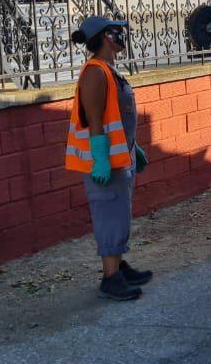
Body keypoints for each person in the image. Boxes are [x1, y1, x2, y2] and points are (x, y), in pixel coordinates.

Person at [65, 16, 151, 301]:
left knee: (119, 214)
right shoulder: (95, 73)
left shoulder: (109, 69)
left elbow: (118, 114)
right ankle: (110, 278)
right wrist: (101, 159)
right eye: (116, 32)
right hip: (105, 162)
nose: (121, 35)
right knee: (110, 216)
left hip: (120, 156)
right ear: (105, 37)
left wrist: (133, 146)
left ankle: (118, 266)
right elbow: (95, 120)